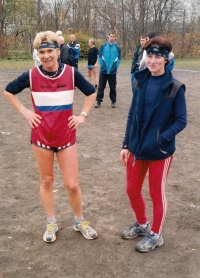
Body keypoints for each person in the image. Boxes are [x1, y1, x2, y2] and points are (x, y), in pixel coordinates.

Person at [4, 31, 98, 243]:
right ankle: (51, 222)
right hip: (41, 137)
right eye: (42, 52)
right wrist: (25, 112)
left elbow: (91, 92)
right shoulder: (31, 75)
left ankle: (79, 221)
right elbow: (9, 91)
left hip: (66, 137)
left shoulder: (72, 73)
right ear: (38, 54)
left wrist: (82, 115)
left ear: (58, 52)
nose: (46, 56)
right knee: (47, 181)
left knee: (72, 184)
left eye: (50, 51)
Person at [120, 36, 187, 253]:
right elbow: (132, 113)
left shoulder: (175, 87)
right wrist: (125, 144)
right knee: (131, 189)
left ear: (166, 59)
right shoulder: (139, 80)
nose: (153, 60)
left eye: (158, 56)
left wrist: (161, 138)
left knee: (156, 193)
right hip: (137, 147)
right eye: (150, 55)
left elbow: (181, 120)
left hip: (160, 150)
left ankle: (156, 235)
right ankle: (142, 224)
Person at [95, 30, 121, 108]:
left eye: (113, 36)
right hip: (103, 71)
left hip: (112, 72)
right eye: (111, 36)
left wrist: (114, 67)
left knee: (113, 87)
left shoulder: (117, 47)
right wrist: (103, 66)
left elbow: (119, 59)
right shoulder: (103, 46)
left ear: (115, 37)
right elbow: (100, 57)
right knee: (101, 87)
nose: (112, 37)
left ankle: (113, 101)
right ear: (108, 36)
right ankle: (98, 101)